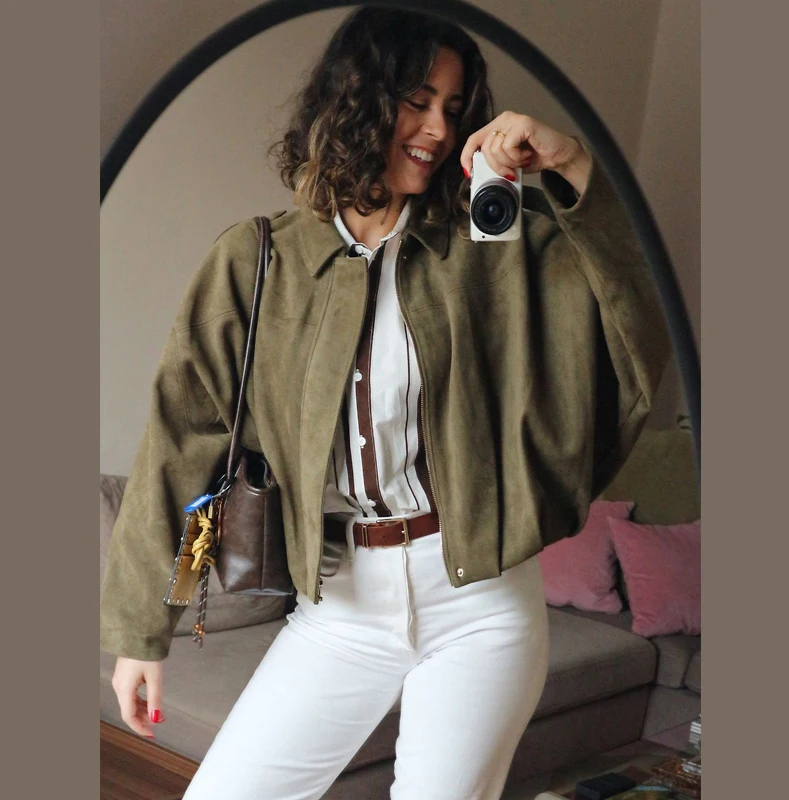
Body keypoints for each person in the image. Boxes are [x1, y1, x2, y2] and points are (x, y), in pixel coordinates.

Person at [100, 7, 670, 799]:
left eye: (453, 107)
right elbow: (180, 442)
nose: (438, 128)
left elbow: (635, 326)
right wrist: (141, 631)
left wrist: (572, 163)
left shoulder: (491, 247)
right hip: (340, 607)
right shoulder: (258, 261)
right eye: (416, 100)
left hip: (480, 606)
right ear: (355, 98)